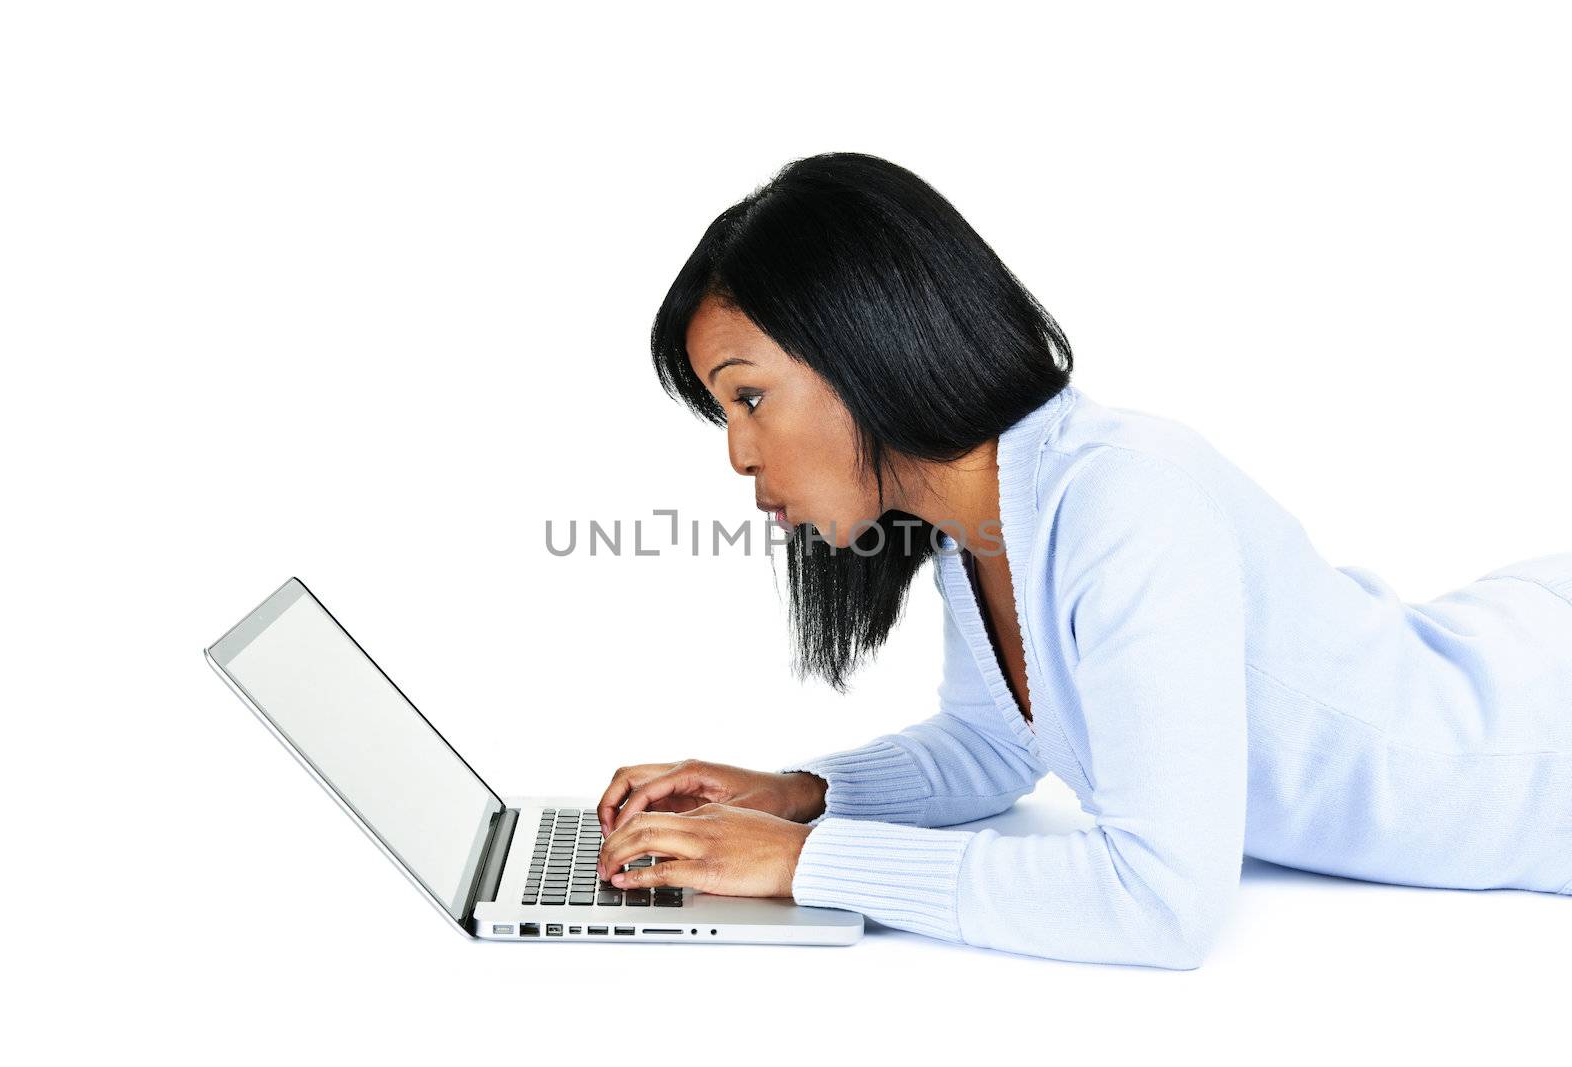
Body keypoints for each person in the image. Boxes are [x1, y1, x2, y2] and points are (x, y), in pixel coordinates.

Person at [594, 151, 1572, 968]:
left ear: (866, 347)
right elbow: (997, 742)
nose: (738, 452)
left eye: (749, 397)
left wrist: (803, 862)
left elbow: (1158, 901)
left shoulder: (1121, 497)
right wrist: (796, 793)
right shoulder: (981, 527)